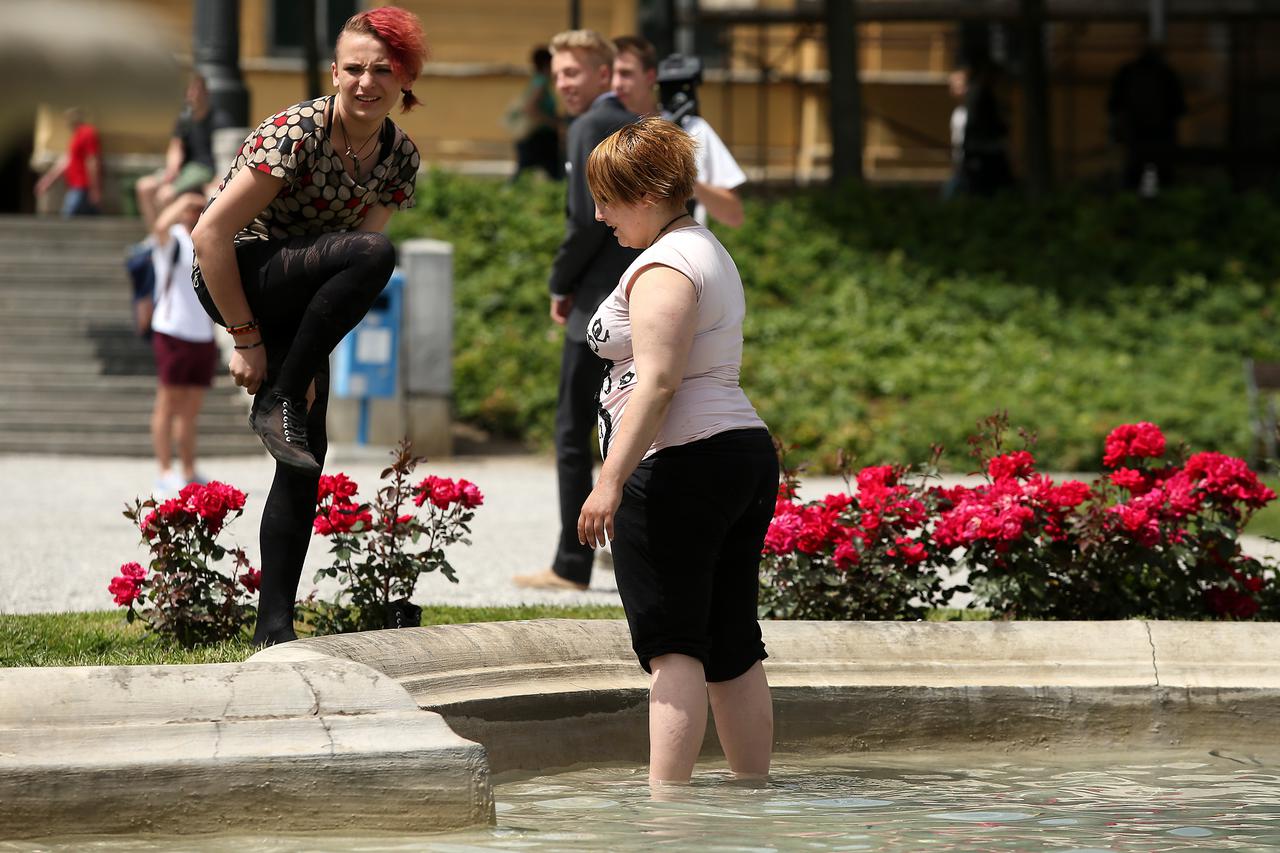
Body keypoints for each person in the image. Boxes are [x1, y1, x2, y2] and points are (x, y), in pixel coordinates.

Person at [190, 6, 425, 645]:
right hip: (240, 271)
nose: (366, 81)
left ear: (405, 78)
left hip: (305, 293)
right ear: (335, 72)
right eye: (354, 68)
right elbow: (208, 234)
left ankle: (274, 631)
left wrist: (307, 358)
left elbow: (345, 285)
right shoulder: (296, 131)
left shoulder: (399, 157)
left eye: (383, 69)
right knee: (375, 253)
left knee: (303, 457)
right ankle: (282, 394)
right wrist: (245, 340)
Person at [578, 116, 777, 784]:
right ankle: (754, 797)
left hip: (682, 462)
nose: (601, 215)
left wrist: (609, 480)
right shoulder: (704, 249)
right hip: (738, 455)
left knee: (674, 648)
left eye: (607, 199)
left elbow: (659, 383)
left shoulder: (666, 264)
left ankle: (670, 818)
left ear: (645, 195)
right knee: (732, 646)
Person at [513, 30, 638, 593]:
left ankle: (572, 562)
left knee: (573, 431)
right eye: (559, 73)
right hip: (640, 294)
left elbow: (586, 221)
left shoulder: (590, 126)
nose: (563, 82)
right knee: (633, 426)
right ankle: (637, 551)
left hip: (596, 301)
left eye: (574, 72)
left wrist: (559, 284)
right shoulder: (635, 123)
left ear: (604, 73)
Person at [611, 35, 745, 228]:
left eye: (626, 73)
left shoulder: (691, 129)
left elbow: (734, 215)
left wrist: (686, 181)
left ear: (650, 76)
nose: (616, 84)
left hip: (679, 253)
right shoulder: (599, 130)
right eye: (612, 74)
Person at [148, 192, 218, 496]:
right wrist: (181, 201)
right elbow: (158, 227)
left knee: (191, 409)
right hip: (172, 330)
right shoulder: (174, 239)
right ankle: (165, 469)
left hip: (202, 333)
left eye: (198, 207)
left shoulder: (210, 239)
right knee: (168, 402)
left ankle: (188, 468)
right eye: (190, 208)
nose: (194, 211)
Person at [135, 73, 216, 229]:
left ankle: (171, 241)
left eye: (197, 89)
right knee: (144, 187)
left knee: (165, 194)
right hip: (186, 170)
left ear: (206, 92)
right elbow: (175, 148)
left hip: (205, 169)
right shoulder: (183, 120)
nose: (193, 94)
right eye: (190, 90)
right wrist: (171, 172)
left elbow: (225, 153)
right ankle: (156, 239)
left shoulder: (219, 119)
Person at [1108, 45, 1186, 195]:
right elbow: (1179, 107)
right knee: (1158, 175)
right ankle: (1154, 201)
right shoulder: (1166, 73)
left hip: (1136, 136)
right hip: (1160, 137)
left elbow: (1113, 105)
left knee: (1136, 175)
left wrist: (1118, 130)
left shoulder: (1128, 72)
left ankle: (1138, 203)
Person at [942, 62, 1012, 198]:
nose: (953, 87)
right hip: (970, 162)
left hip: (980, 161)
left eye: (958, 82)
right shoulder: (961, 111)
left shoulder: (981, 102)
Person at [34, 108, 101, 216]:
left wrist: (95, 189)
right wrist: (48, 180)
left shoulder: (87, 133)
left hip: (83, 186)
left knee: (67, 216)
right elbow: (66, 160)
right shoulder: (76, 135)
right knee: (88, 217)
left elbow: (92, 161)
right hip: (75, 185)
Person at [508, 47, 562, 181]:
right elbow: (530, 108)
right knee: (555, 172)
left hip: (538, 137)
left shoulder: (538, 81)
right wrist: (553, 123)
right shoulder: (541, 82)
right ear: (547, 64)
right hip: (539, 137)